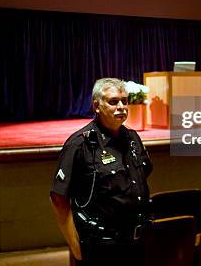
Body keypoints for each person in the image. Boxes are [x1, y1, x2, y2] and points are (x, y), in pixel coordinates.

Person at [50, 78, 153, 266]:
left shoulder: (132, 138)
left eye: (124, 101)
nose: (121, 107)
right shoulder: (80, 145)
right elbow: (58, 198)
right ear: (97, 106)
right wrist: (75, 247)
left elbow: (142, 178)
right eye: (113, 102)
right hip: (101, 247)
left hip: (136, 243)